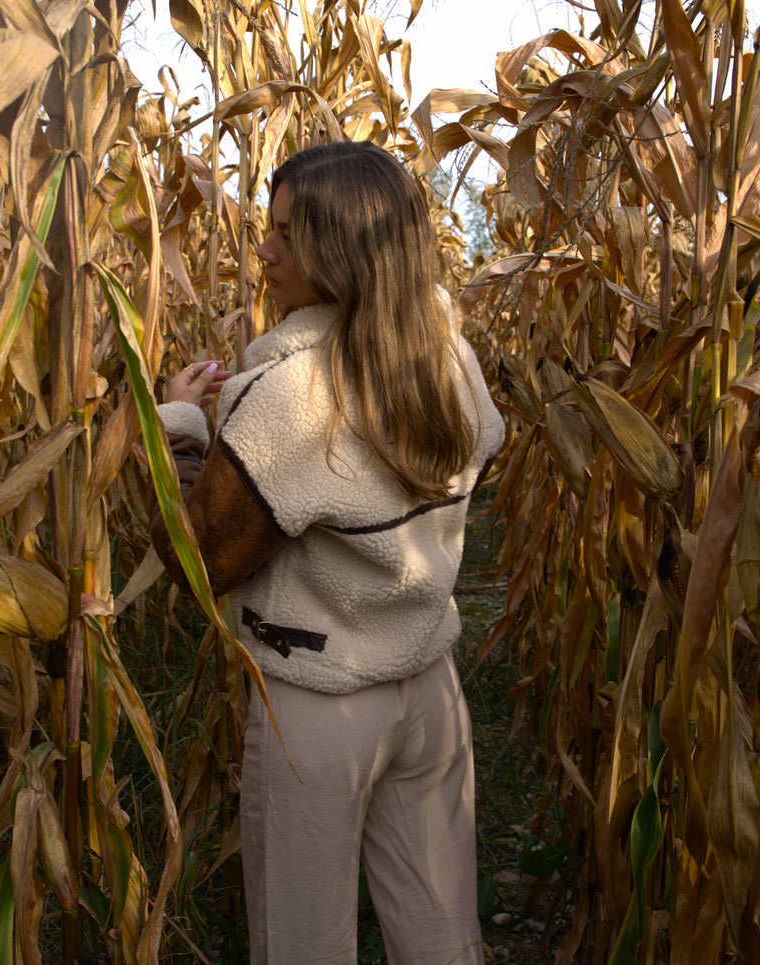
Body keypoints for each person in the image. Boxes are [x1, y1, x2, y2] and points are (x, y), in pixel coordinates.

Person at [151, 139, 503, 965]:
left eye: (285, 234)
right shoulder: (449, 358)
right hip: (428, 692)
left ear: (340, 250)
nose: (263, 252)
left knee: (302, 945)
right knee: (442, 935)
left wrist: (178, 426)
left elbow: (196, 559)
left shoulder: (291, 396)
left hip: (320, 707)